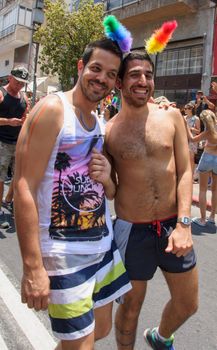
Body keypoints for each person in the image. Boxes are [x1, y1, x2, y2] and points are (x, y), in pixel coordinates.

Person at [14, 38, 131, 350]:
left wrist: (108, 181)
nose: (102, 78)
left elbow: (108, 191)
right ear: (81, 67)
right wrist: (33, 267)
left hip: (102, 247)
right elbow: (23, 185)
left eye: (110, 74)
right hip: (63, 255)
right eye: (96, 68)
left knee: (102, 327)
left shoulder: (99, 122)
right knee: (81, 345)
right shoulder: (53, 109)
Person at [105, 51, 198, 350]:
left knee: (187, 304)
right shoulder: (108, 132)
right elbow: (109, 190)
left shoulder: (171, 115)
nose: (143, 81)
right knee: (130, 310)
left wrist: (184, 223)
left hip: (174, 226)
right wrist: (106, 176)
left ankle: (160, 337)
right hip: (133, 232)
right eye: (134, 74)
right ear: (119, 82)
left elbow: (186, 170)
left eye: (148, 74)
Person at [0, 66, 29, 228]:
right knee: (0, 177)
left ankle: (8, 200)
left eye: (22, 84)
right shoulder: (1, 94)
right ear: (10, 77)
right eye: (17, 82)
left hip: (17, 142)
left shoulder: (24, 98)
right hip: (1, 142)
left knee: (19, 176)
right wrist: (8, 121)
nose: (19, 86)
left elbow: (26, 117)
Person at [186, 109, 217, 226]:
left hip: (207, 158)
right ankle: (212, 217)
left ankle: (202, 220)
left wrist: (188, 129)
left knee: (203, 190)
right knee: (215, 190)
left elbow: (193, 139)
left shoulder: (208, 132)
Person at [184, 102, 200, 180]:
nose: (185, 110)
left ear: (191, 109)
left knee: (191, 158)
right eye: (185, 108)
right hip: (183, 138)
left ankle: (191, 177)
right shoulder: (184, 118)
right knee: (184, 157)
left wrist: (191, 129)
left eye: (186, 108)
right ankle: (185, 175)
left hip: (192, 139)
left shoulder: (196, 118)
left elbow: (199, 131)